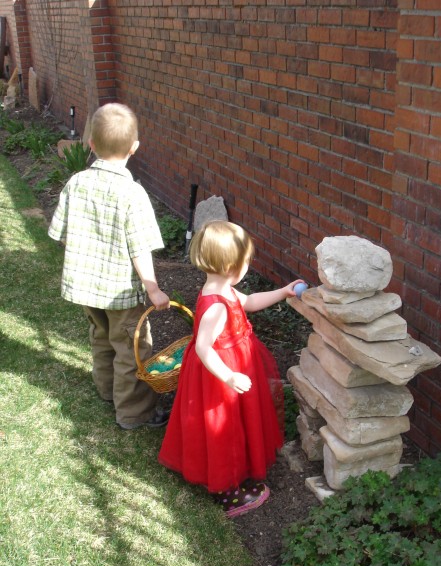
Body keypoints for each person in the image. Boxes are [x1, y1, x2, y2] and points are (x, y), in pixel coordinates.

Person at [158, 220, 304, 517]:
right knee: (224, 427)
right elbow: (202, 347)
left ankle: (237, 474)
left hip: (234, 365)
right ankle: (229, 492)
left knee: (239, 421)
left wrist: (283, 292)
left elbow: (248, 302)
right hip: (220, 374)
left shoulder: (221, 289)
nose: (248, 266)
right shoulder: (216, 305)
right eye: (246, 262)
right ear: (230, 267)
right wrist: (228, 375)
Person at [48, 102, 171, 429]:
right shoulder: (132, 194)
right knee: (132, 349)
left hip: (86, 288)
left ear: (91, 145)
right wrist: (153, 288)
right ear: (134, 148)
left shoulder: (76, 183)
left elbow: (61, 234)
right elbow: (140, 248)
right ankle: (135, 412)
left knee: (101, 337)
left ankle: (106, 391)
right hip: (120, 294)